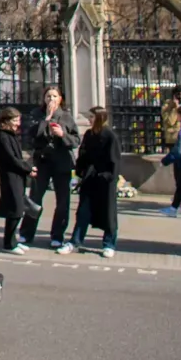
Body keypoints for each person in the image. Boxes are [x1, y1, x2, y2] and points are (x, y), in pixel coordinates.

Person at [20, 87, 77, 253]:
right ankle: (26, 233)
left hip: (62, 164)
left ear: (60, 99)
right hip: (42, 162)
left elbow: (75, 140)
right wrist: (47, 118)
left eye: (54, 96)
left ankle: (57, 236)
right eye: (48, 96)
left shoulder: (67, 116)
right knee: (35, 198)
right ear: (43, 99)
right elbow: (32, 135)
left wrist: (62, 135)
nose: (51, 99)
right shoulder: (36, 114)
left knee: (62, 202)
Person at [71, 106, 119, 257]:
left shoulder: (110, 136)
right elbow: (83, 154)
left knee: (108, 213)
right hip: (90, 179)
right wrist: (80, 171)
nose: (89, 120)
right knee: (83, 211)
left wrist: (107, 176)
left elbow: (115, 161)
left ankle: (109, 243)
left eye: (91, 117)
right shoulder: (89, 134)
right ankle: (75, 241)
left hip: (104, 181)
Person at [0, 107, 34, 252]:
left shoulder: (10, 135)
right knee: (15, 210)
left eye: (18, 120)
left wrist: (27, 169)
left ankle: (12, 240)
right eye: (15, 120)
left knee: (17, 209)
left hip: (17, 176)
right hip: (10, 177)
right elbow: (11, 159)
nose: (18, 123)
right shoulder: (3, 136)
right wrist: (28, 169)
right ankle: (9, 244)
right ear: (6, 121)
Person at [159, 86, 181, 217]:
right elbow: (169, 121)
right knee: (179, 173)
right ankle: (179, 201)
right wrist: (174, 108)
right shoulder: (168, 105)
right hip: (173, 140)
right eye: (178, 95)